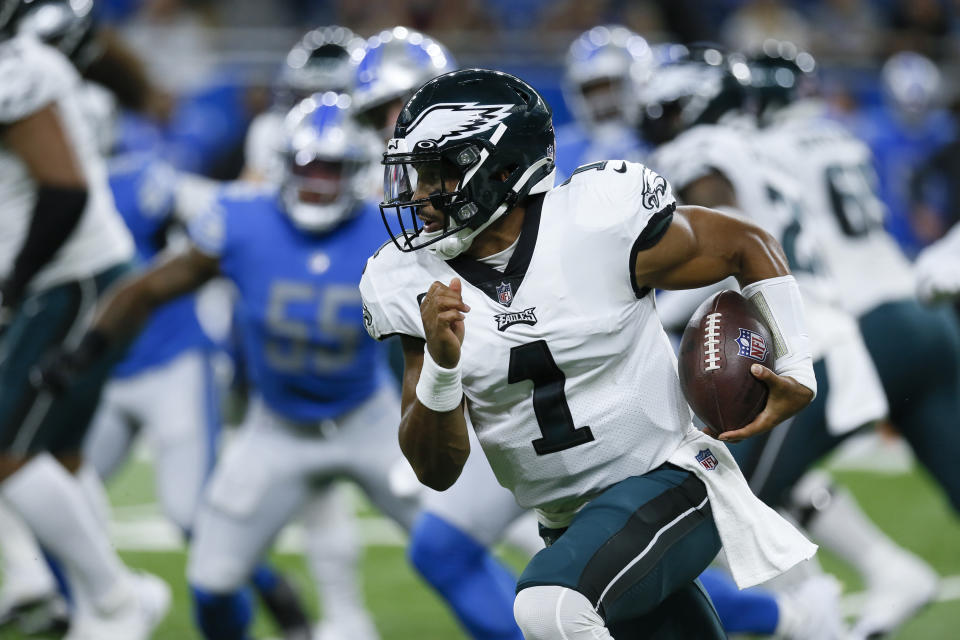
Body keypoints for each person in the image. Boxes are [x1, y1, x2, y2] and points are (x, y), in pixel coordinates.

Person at [360, 67, 818, 638]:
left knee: (548, 605)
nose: (419, 198)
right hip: (570, 523)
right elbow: (436, 470)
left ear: (501, 169)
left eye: (438, 176)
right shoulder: (406, 281)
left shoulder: (595, 222)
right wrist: (442, 368)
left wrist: (796, 361)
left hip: (671, 482)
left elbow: (746, 244)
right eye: (414, 176)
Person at [37, 95, 420, 640]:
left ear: (357, 174)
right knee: (212, 580)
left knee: (448, 546)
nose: (318, 183)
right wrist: (88, 348)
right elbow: (148, 287)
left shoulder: (387, 230)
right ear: (283, 165)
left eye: (333, 169)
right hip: (275, 428)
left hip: (371, 420)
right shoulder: (242, 218)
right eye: (308, 167)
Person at [643, 44, 946, 638]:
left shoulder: (702, 151)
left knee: (721, 504)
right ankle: (879, 572)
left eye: (668, 109)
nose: (658, 123)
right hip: (816, 328)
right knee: (750, 480)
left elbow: (719, 246)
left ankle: (810, 618)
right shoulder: (766, 147)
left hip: (785, 342)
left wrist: (639, 301)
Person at [0, 2, 170, 638]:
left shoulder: (15, 69)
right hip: (72, 276)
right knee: (60, 452)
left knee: (7, 453)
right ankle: (97, 603)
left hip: (69, 280)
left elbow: (63, 190)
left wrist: (13, 285)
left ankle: (117, 599)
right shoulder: (27, 61)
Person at [555, 25, 650, 180]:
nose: (602, 102)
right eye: (591, 91)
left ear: (637, 82)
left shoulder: (660, 140)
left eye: (610, 87)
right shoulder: (558, 151)